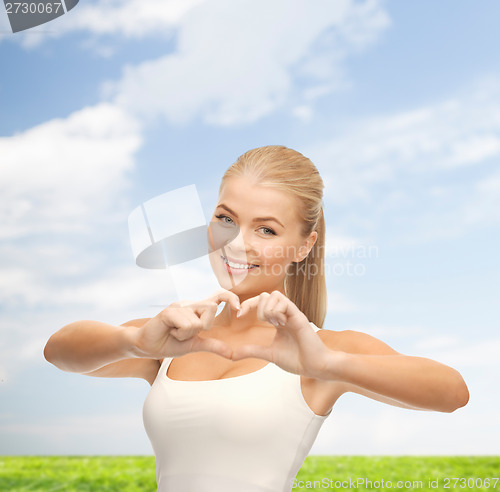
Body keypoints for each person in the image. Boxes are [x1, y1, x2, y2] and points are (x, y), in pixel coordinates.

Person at [44, 145, 470, 492]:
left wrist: (326, 364)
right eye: (226, 219)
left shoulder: (320, 350)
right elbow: (59, 351)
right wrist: (134, 343)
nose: (236, 245)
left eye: (265, 230)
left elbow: (452, 392)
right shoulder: (171, 337)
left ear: (304, 246)